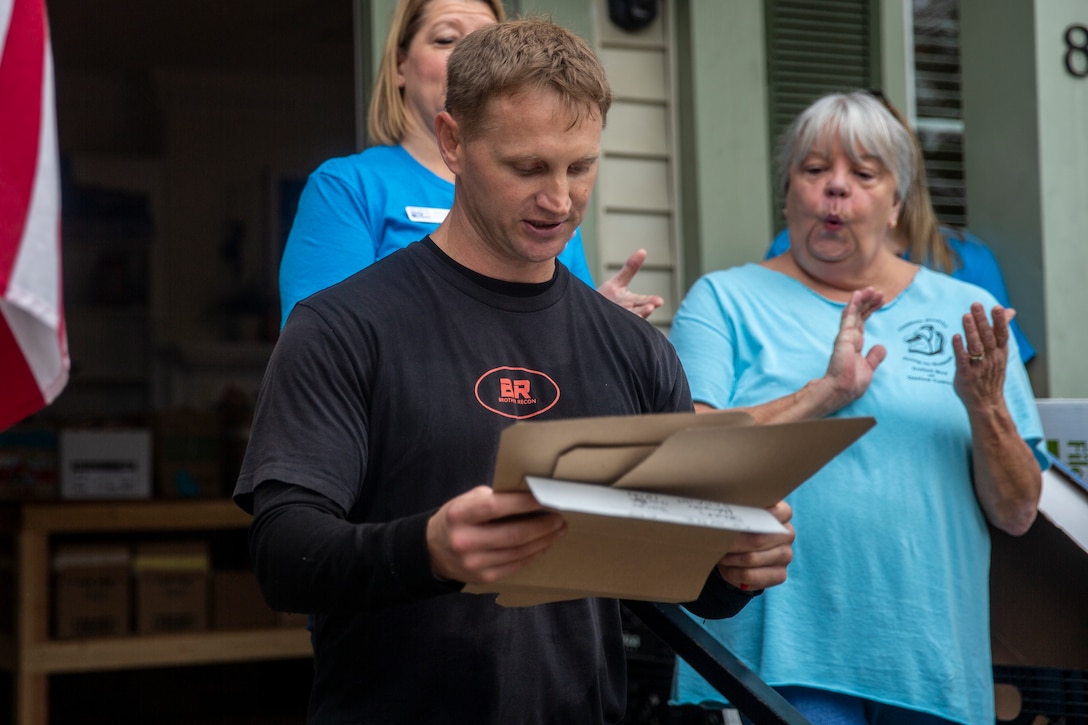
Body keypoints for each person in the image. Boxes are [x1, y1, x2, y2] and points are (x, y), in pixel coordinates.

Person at [235, 18, 795, 723]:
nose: (559, 199)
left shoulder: (635, 349)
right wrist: (427, 548)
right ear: (452, 143)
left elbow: (667, 574)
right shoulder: (344, 326)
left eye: (581, 166)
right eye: (527, 168)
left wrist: (734, 567)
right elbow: (283, 552)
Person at [668, 91, 1047, 724]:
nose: (835, 189)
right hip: (775, 664)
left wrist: (985, 406)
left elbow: (1017, 510)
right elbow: (687, 463)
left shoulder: (965, 309)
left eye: (863, 174)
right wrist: (825, 394)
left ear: (898, 202)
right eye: (814, 170)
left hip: (934, 664)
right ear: (787, 192)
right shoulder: (725, 299)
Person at [277, 0, 664, 326]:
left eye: (486, 44)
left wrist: (596, 319)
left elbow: (556, 333)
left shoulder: (552, 197)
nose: (556, 198)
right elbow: (321, 346)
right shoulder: (348, 187)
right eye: (446, 39)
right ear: (399, 65)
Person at [764, 92, 1036, 364]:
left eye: (863, 171)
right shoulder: (791, 247)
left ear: (899, 185)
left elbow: (1005, 374)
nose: (838, 183)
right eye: (818, 167)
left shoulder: (967, 259)